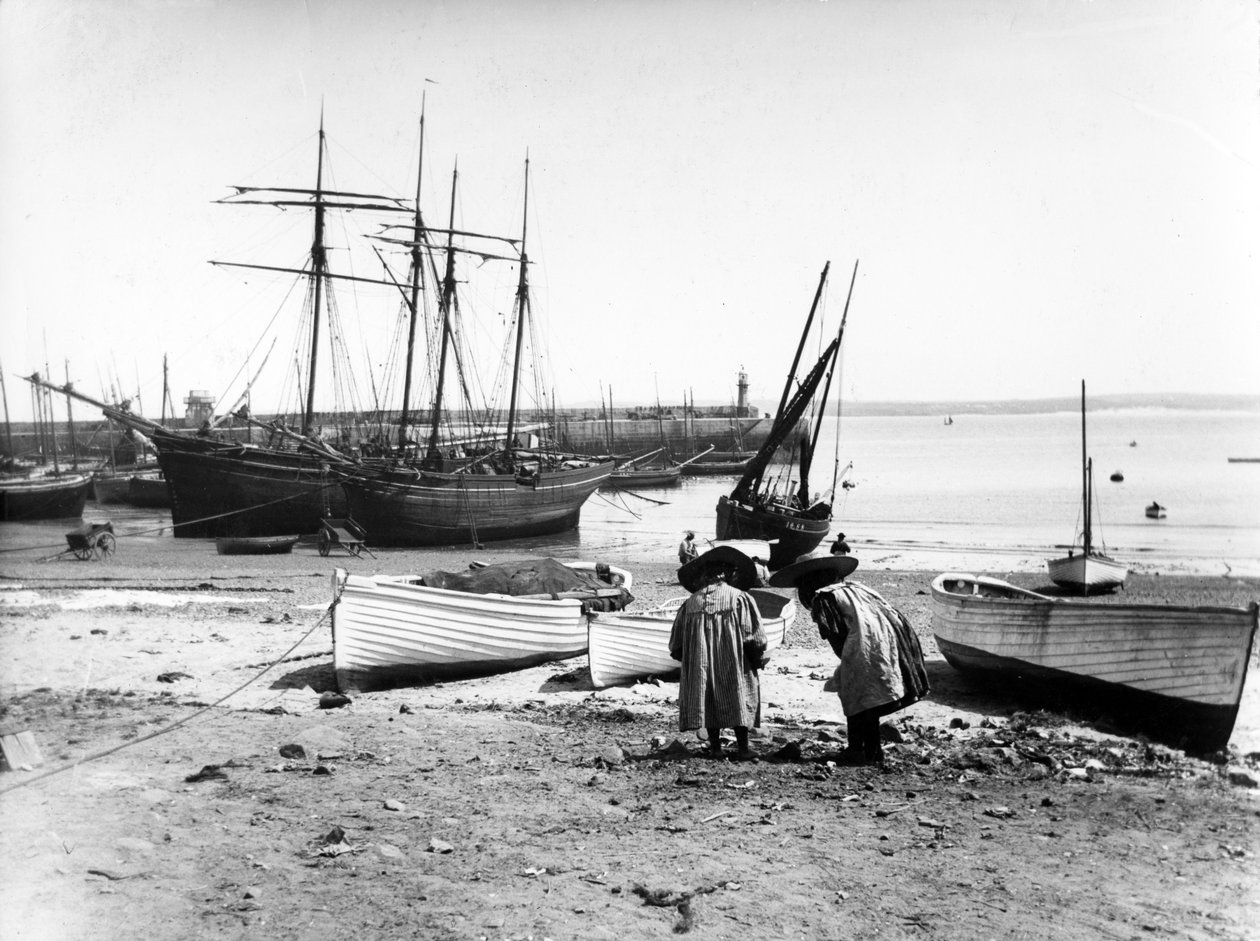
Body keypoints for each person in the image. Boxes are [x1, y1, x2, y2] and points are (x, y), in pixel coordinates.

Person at [769, 551, 929, 765]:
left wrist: (849, 662)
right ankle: (868, 750)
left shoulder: (824, 598)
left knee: (859, 697)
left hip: (867, 646)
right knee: (865, 699)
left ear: (808, 581)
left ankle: (861, 751)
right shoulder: (856, 588)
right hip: (893, 641)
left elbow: (837, 637)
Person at [669, 546, 767, 760]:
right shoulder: (739, 599)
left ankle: (715, 748)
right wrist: (757, 658)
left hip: (701, 664)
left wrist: (692, 658)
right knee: (738, 694)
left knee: (708, 697)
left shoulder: (689, 604)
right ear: (728, 574)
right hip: (735, 662)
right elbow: (754, 637)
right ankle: (743, 748)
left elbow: (676, 646)